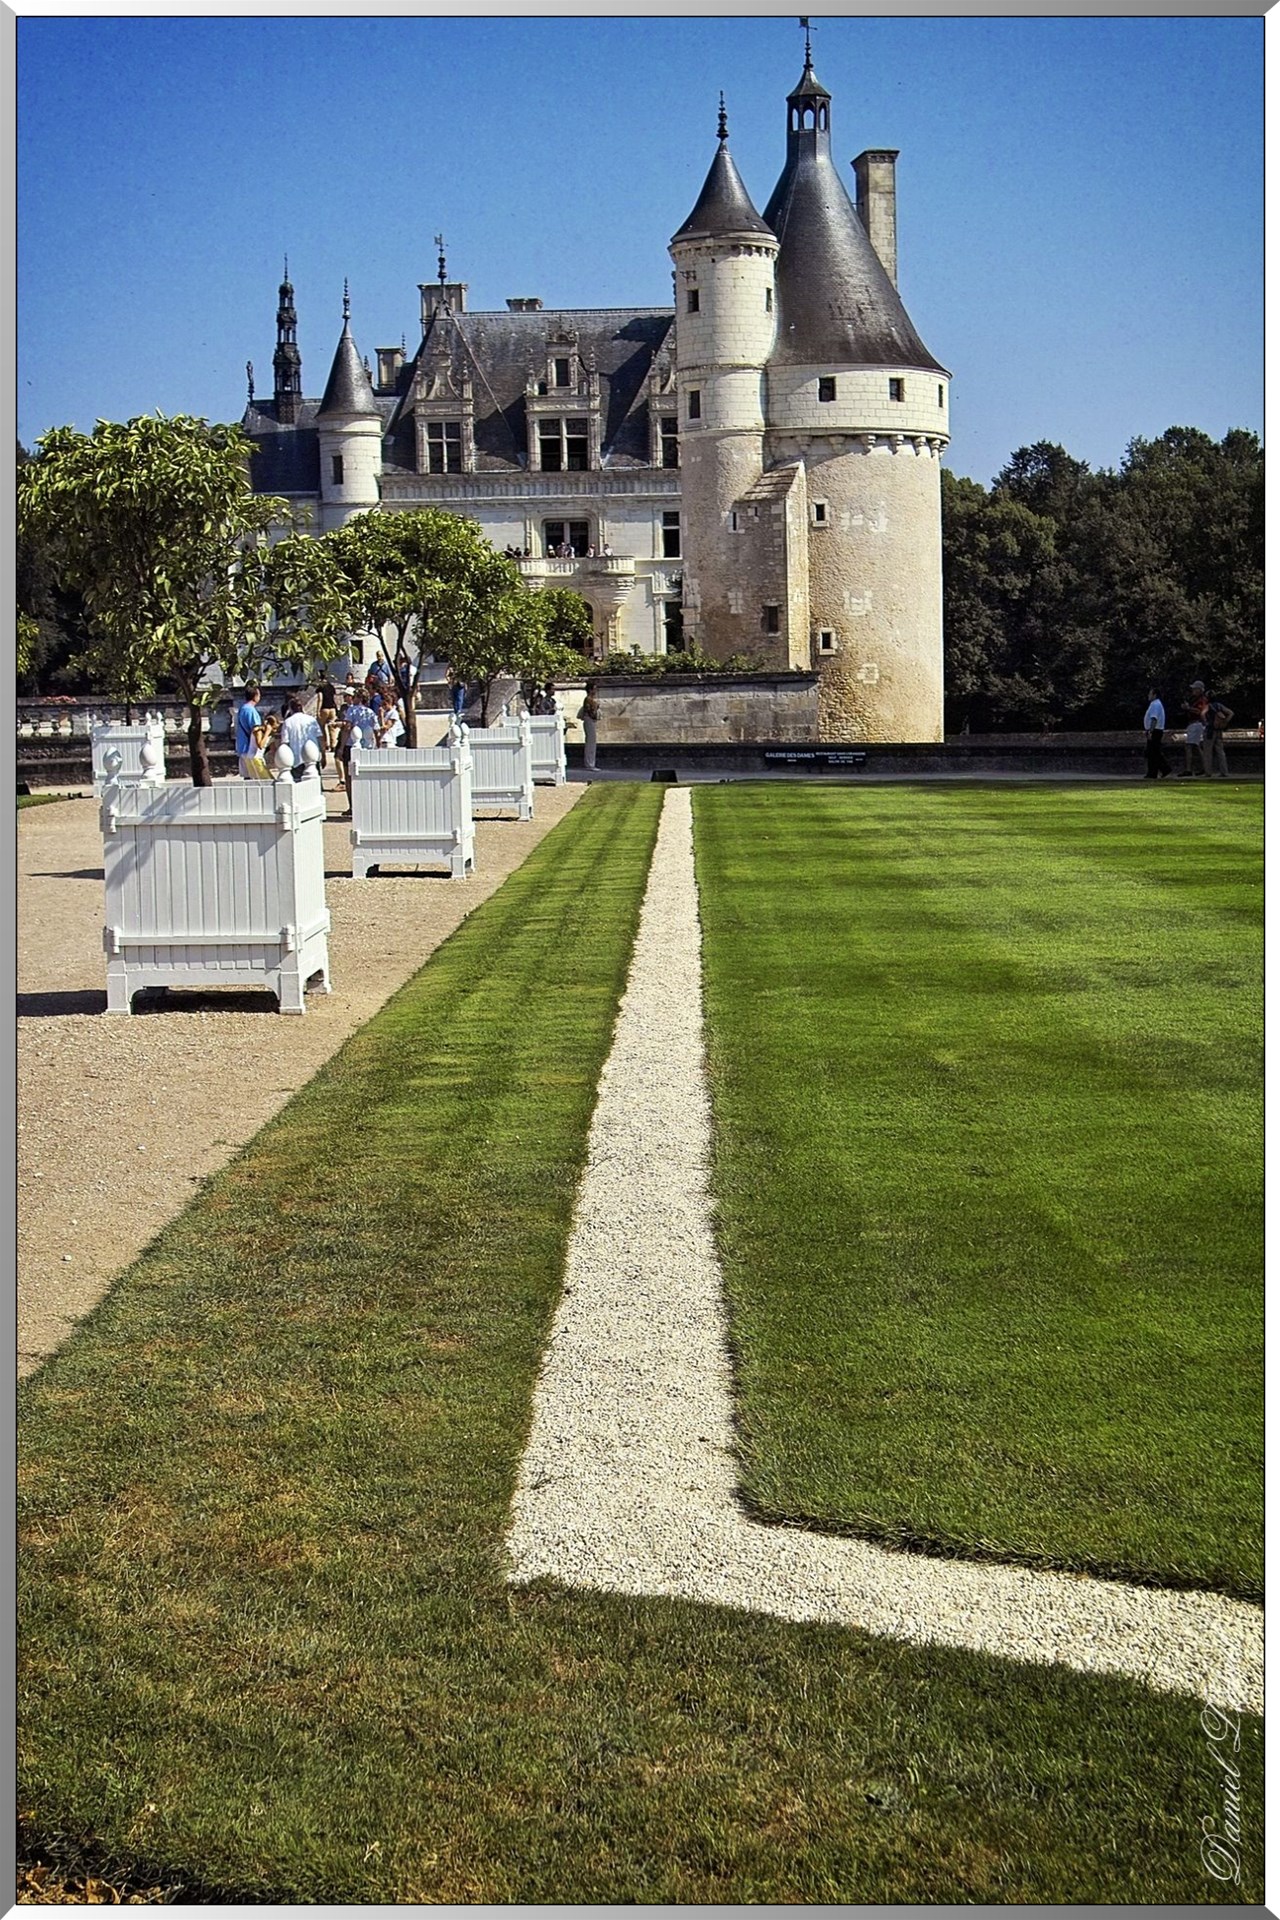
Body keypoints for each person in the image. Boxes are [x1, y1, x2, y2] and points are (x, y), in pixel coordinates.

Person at [1193, 680, 1234, 779]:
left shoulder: (1208, 706)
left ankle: (1208, 772)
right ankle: (1224, 771)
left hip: (1210, 730)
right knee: (1220, 751)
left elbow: (1202, 714)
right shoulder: (1219, 705)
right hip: (1219, 730)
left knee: (1208, 752)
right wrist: (1225, 722)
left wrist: (1206, 722)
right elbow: (1231, 713)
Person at [281, 694, 323, 780]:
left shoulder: (288, 722)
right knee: (314, 782)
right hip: (313, 757)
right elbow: (320, 738)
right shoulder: (311, 720)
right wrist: (323, 754)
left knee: (297, 785)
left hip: (296, 758)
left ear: (290, 709)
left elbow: (285, 742)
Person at [234, 682, 267, 779]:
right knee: (256, 777)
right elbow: (256, 730)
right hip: (250, 749)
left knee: (247, 778)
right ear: (255, 696)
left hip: (242, 747)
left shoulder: (242, 709)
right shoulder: (251, 711)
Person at [1142, 688, 1172, 779]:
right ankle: (1156, 771)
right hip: (1155, 730)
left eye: (1150, 694)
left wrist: (1150, 731)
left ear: (1154, 695)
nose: (1148, 695)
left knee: (1153, 752)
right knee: (1153, 752)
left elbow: (1154, 718)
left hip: (1155, 730)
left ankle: (1157, 771)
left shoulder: (1155, 704)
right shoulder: (1156, 704)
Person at [580, 680, 601, 774]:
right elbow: (590, 712)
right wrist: (596, 710)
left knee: (592, 742)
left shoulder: (590, 699)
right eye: (594, 689)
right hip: (589, 720)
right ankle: (590, 763)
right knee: (590, 742)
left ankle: (591, 763)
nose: (595, 691)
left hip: (590, 720)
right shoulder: (588, 699)